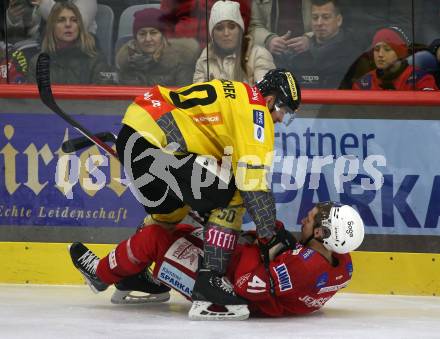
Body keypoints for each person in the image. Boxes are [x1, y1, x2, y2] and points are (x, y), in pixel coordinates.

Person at [68, 67, 301, 320]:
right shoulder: (257, 113)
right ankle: (209, 283)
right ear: (271, 100)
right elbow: (253, 184)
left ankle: (129, 274)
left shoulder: (238, 93)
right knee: (231, 193)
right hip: (158, 146)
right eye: (284, 112)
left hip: (137, 134)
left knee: (173, 209)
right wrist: (270, 236)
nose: (279, 119)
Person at [68, 201, 365, 319]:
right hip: (240, 270)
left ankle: (101, 276)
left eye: (310, 220)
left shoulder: (304, 266)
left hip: (224, 291)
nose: (303, 220)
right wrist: (265, 242)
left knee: (154, 237)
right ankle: (141, 280)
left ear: (323, 233)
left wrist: (263, 246)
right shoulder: (340, 261)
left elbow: (247, 285)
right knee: (181, 227)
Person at [278, 0, 362, 88]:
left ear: (339, 20)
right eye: (315, 17)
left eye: (326, 17)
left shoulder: (354, 57)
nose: (319, 23)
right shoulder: (298, 58)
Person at [27, 2, 114, 85]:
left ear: (79, 26)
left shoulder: (95, 61)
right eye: (61, 20)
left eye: (74, 20)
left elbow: (102, 98)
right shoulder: (38, 63)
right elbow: (33, 99)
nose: (68, 25)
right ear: (52, 27)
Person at [193, 0, 275, 84]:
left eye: (232, 27)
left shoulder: (259, 55)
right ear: (212, 34)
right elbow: (198, 93)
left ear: (240, 30)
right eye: (219, 28)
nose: (226, 33)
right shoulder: (205, 57)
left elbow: (266, 92)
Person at [116, 8, 199, 86]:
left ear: (163, 36)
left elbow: (183, 95)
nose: (148, 39)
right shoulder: (127, 61)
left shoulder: (180, 61)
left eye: (153, 33)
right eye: (142, 34)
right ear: (135, 37)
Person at [352, 27, 438, 91]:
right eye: (376, 49)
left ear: (400, 53)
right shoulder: (364, 84)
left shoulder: (420, 78)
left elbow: (429, 112)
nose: (380, 55)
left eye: (387, 49)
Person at [160, 0, 252, 47]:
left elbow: (243, 15)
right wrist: (170, 42)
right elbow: (165, 20)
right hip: (183, 47)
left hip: (221, 45)